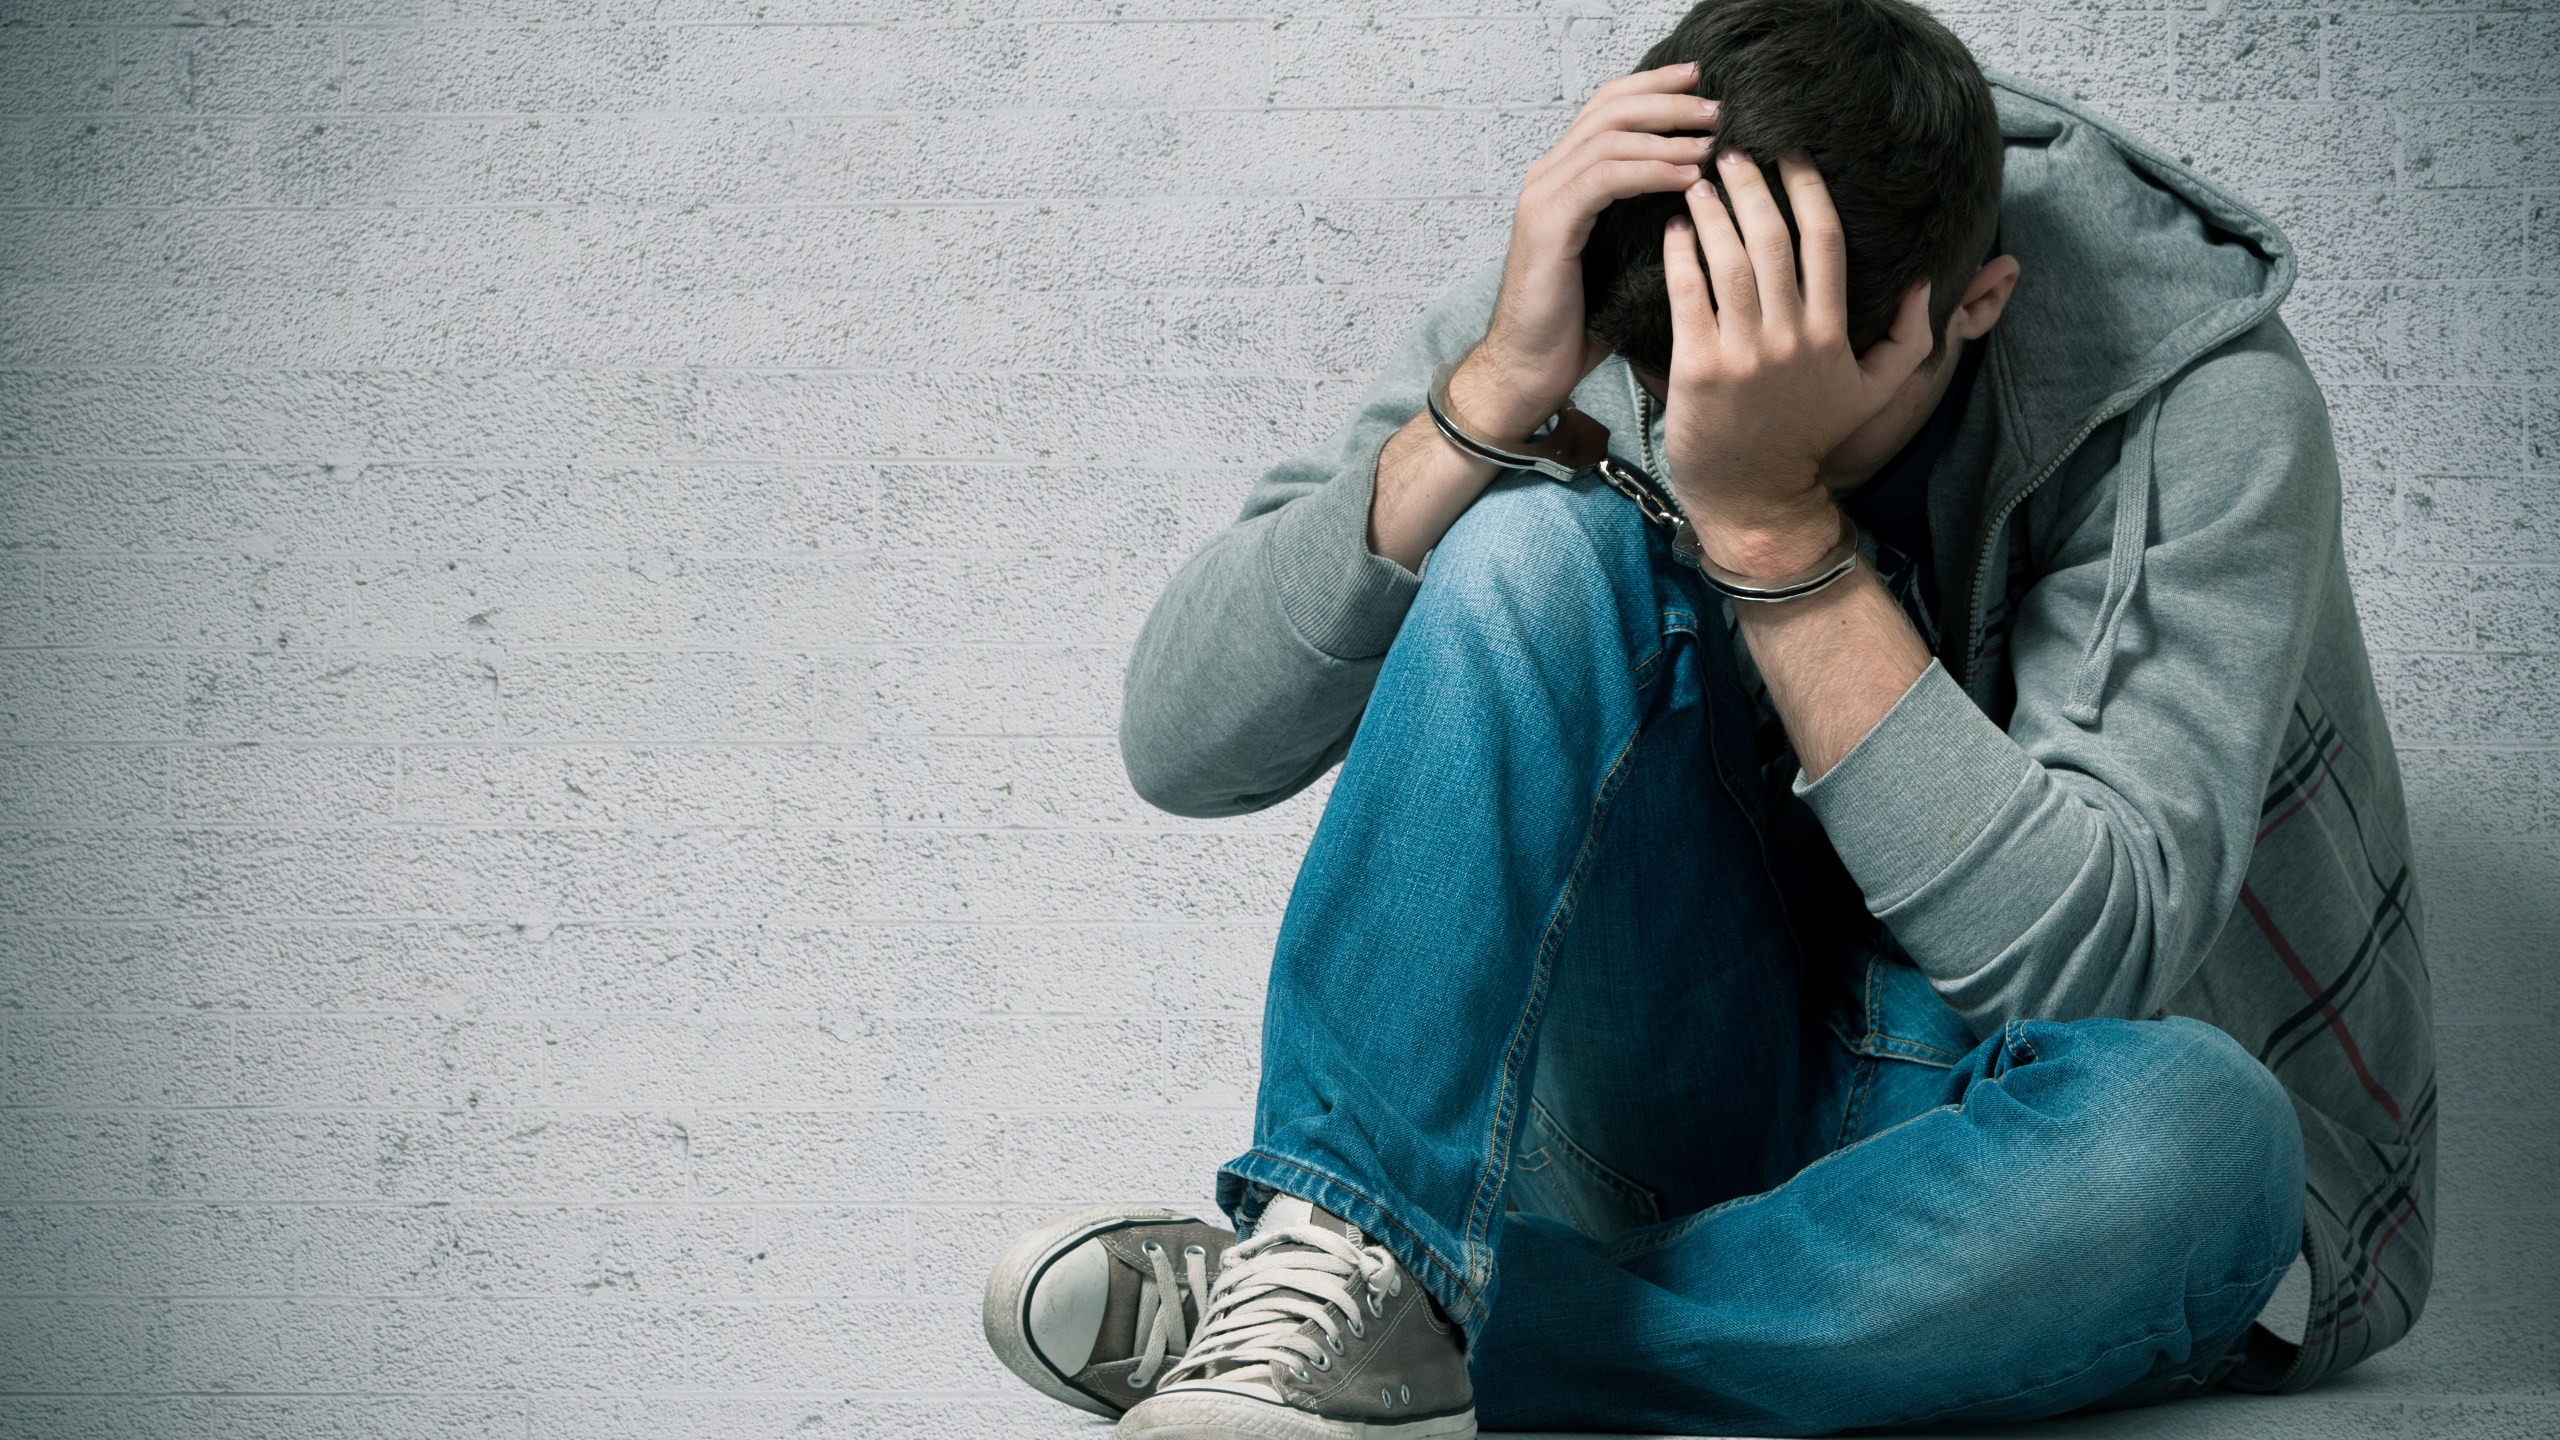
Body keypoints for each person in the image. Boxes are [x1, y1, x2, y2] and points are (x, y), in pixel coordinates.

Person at [978, 0, 2435, 1433]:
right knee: (1527, 544)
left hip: (2006, 1151)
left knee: (2200, 1141)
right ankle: (1339, 1253)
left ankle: (1416, 1326)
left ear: (1971, 306)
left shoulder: (2196, 398)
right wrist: (1490, 394)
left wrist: (1773, 523)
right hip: (1677, 1077)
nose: (1690, 419)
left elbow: (2079, 972)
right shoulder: (1621, 284)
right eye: (1674, 385)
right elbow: (1181, 746)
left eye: (1782, 391)